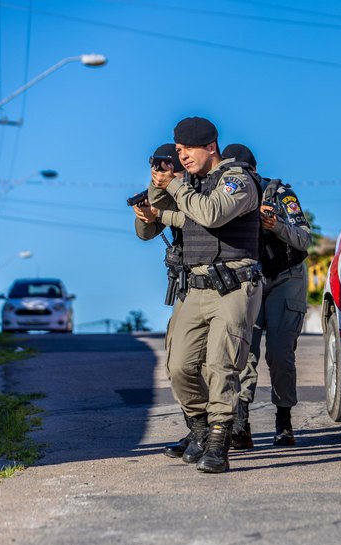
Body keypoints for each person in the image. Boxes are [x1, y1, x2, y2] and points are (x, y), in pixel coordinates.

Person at [151, 117, 263, 473]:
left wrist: (179, 187)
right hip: (195, 286)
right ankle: (198, 429)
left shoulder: (236, 179)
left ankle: (218, 441)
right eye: (179, 151)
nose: (182, 157)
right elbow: (161, 214)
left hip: (234, 285)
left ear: (210, 147)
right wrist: (159, 182)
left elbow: (212, 214)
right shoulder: (192, 185)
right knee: (179, 365)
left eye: (188, 150)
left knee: (220, 364)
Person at [221, 144, 312, 448]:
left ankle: (283, 420)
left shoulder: (278, 193)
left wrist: (276, 226)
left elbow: (304, 238)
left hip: (286, 276)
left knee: (279, 351)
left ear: (254, 172)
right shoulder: (224, 197)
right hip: (250, 278)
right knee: (244, 353)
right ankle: (240, 423)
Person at [132, 144, 199, 459]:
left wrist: (168, 193)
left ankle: (223, 430)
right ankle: (197, 429)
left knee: (211, 363)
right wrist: (150, 200)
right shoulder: (170, 190)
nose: (165, 170)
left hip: (221, 283)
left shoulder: (202, 186)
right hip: (188, 283)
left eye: (170, 166)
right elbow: (145, 232)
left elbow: (201, 217)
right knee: (177, 360)